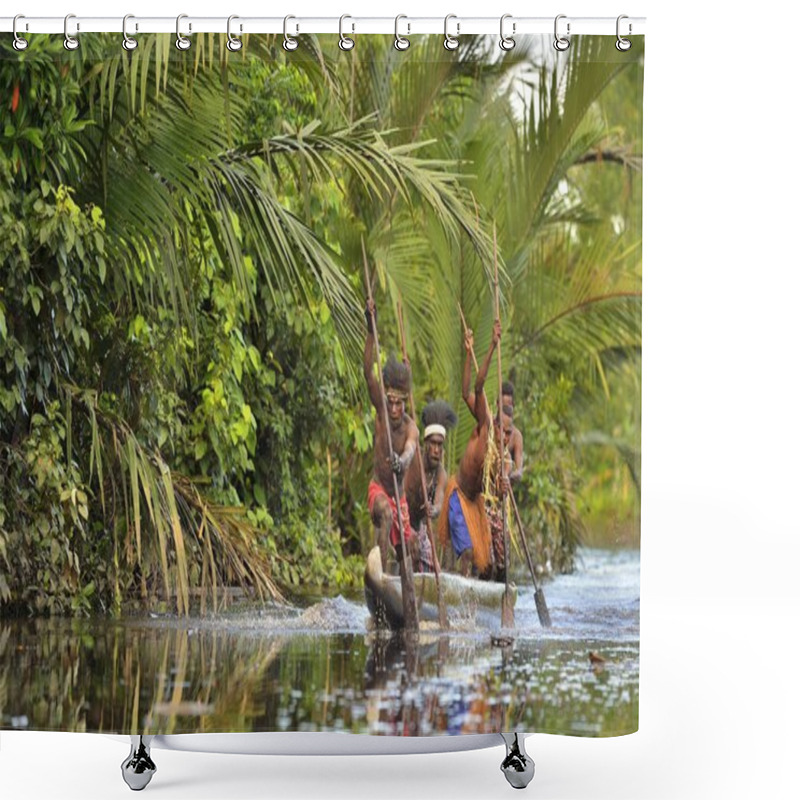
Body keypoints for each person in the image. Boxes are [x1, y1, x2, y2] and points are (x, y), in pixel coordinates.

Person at [439, 320, 502, 578]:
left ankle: (477, 603)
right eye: (500, 425)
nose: (502, 432)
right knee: (465, 552)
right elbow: (470, 390)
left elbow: (498, 490)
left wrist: (504, 486)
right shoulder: (483, 424)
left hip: (476, 506)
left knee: (487, 565)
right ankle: (459, 602)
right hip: (458, 496)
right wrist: (482, 350)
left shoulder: (499, 455)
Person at [364, 299, 419, 571]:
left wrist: (403, 461)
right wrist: (370, 331)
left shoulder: (411, 427)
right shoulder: (381, 411)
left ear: (406, 403)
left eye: (400, 403)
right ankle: (382, 580)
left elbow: (409, 450)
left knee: (411, 551)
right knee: (385, 513)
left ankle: (407, 592)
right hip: (379, 492)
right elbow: (368, 375)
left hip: (402, 500)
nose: (394, 408)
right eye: (391, 402)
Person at [404, 400, 457, 573]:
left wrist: (432, 510)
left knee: (437, 572)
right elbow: (397, 494)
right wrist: (406, 530)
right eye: (432, 444)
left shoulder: (441, 474)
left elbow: (439, 504)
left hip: (419, 529)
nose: (436, 449)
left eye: (439, 445)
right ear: (426, 444)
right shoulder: (413, 460)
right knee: (409, 551)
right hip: (400, 521)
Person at [501, 380, 524, 485]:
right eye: (503, 407)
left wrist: (515, 474)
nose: (506, 410)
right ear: (498, 405)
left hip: (503, 491)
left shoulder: (516, 436)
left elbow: (519, 469)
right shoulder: (490, 427)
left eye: (509, 406)